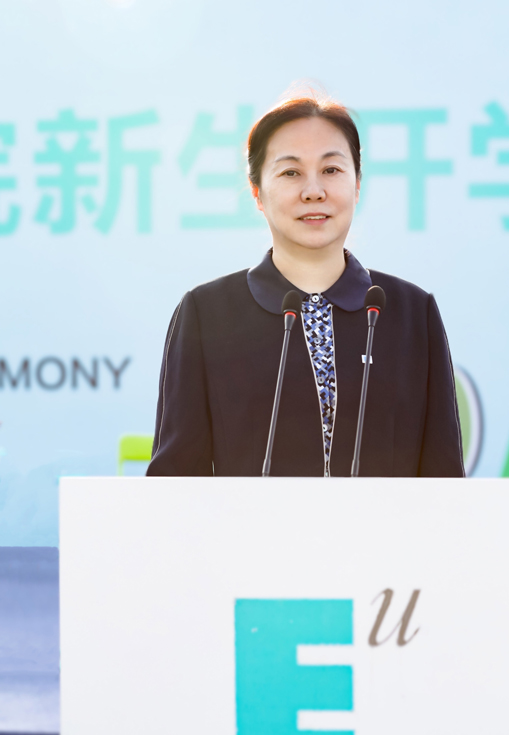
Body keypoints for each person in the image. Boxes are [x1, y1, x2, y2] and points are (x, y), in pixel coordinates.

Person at [146, 95, 464, 478]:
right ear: (257, 191)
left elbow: (445, 480)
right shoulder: (207, 314)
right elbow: (176, 481)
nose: (314, 191)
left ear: (357, 184)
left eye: (331, 169)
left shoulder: (412, 314)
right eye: (290, 173)